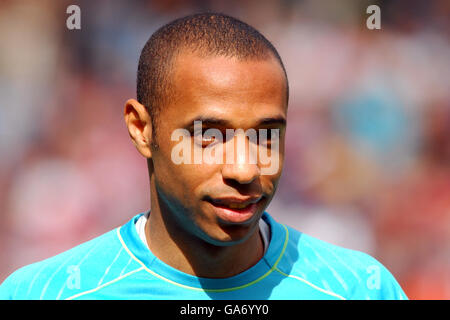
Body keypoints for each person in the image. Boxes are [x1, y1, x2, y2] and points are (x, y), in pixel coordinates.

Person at [0, 12, 407, 300]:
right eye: (209, 136)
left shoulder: (359, 289)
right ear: (142, 129)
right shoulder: (44, 293)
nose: (245, 169)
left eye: (266, 136)